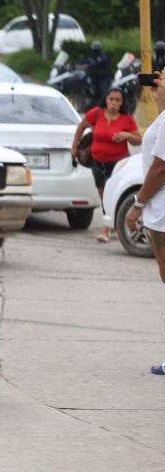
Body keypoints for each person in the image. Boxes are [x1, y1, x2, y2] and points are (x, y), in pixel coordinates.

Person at [124, 72, 165, 375]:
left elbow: (159, 168)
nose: (156, 82)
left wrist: (137, 205)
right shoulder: (161, 117)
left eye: (161, 80)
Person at [71, 87, 141, 242]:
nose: (114, 103)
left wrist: (126, 135)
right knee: (104, 197)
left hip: (118, 164)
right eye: (111, 99)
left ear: (122, 103)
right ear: (106, 99)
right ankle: (113, 226)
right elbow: (81, 126)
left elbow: (138, 139)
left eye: (118, 100)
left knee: (113, 194)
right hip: (98, 162)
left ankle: (106, 229)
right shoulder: (97, 113)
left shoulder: (126, 118)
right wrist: (75, 146)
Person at [79, 41, 113, 106]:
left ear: (99, 50)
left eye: (96, 50)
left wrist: (86, 65)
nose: (95, 51)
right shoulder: (92, 57)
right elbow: (87, 61)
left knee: (103, 94)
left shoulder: (103, 57)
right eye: (94, 50)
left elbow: (96, 63)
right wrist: (79, 64)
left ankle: (104, 106)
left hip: (103, 79)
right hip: (94, 78)